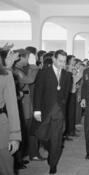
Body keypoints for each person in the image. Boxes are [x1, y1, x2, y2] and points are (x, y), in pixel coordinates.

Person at [33, 50, 72, 174]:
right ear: (54, 59)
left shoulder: (67, 75)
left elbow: (66, 93)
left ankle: (53, 164)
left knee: (57, 139)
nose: (62, 64)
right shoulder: (43, 73)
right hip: (45, 111)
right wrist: (37, 111)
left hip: (59, 112)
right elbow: (38, 93)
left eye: (64, 61)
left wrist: (63, 107)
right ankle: (50, 149)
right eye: (60, 61)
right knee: (44, 137)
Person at [0, 45, 21, 175]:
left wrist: (15, 136)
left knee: (5, 168)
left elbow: (13, 108)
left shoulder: (6, 75)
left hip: (1, 129)